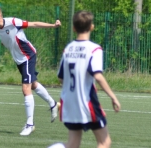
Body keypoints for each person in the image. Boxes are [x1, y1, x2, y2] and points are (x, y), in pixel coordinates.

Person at [0, 6, 61, 136]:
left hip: (27, 56)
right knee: (33, 84)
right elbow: (7, 37)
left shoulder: (13, 22)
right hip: (19, 59)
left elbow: (34, 24)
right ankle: (53, 104)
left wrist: (53, 26)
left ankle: (30, 124)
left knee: (26, 88)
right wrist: (6, 42)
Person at [48, 10, 121, 148]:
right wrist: (113, 97)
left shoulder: (68, 49)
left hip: (69, 102)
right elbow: (97, 75)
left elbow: (61, 77)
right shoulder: (94, 49)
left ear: (74, 28)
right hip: (86, 102)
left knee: (72, 144)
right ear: (92, 27)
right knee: (104, 142)